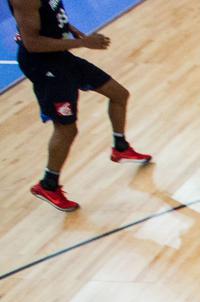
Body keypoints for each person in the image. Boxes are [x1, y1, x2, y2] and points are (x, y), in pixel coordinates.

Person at [8, 0, 151, 212]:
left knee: (119, 94)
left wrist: (75, 32)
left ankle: (120, 148)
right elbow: (33, 43)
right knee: (66, 129)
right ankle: (48, 185)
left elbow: (54, 18)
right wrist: (83, 44)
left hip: (60, 58)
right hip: (43, 65)